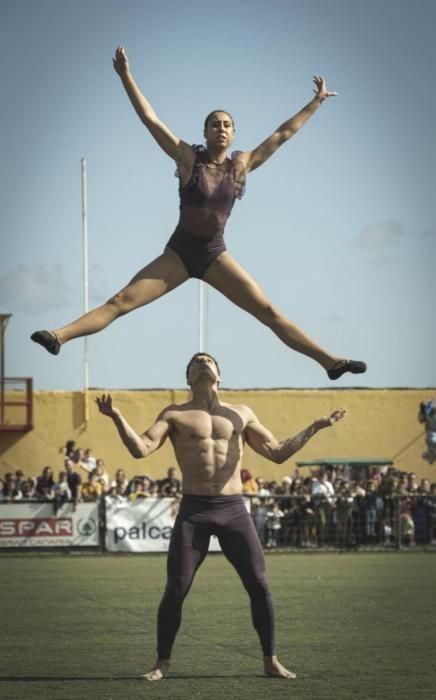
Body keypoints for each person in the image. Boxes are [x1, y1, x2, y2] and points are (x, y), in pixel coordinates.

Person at [31, 46, 366, 382]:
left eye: (227, 125)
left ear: (233, 134)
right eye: (215, 124)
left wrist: (317, 101)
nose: (221, 129)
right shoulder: (188, 158)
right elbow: (150, 119)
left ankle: (331, 362)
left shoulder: (241, 165)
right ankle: (58, 336)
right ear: (205, 132)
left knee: (269, 312)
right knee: (120, 301)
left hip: (214, 255)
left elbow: (283, 134)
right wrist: (125, 76)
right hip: (178, 254)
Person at [96, 351, 346, 680]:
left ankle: (270, 660)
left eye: (208, 360)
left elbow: (277, 452)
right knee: (176, 587)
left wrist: (315, 427)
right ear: (187, 378)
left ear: (220, 375)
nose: (202, 361)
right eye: (195, 361)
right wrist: (116, 416)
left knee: (259, 584)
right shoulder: (174, 414)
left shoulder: (241, 413)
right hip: (194, 511)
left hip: (233, 510)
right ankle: (162, 663)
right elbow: (140, 448)